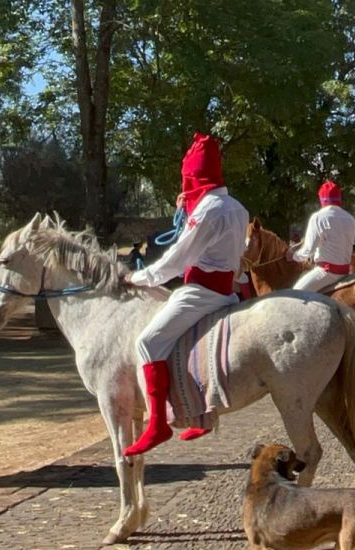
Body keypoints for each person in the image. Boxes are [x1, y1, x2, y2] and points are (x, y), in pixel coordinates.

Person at [119, 133, 250, 457]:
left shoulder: (207, 210)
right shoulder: (237, 208)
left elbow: (177, 260)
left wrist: (138, 277)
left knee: (147, 343)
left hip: (201, 291)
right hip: (227, 291)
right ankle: (202, 415)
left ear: (194, 176)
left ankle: (158, 423)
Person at [291, 181, 355, 292]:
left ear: (322, 199)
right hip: (346, 271)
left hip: (326, 272)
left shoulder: (318, 217)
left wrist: (293, 256)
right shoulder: (350, 218)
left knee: (295, 293)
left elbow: (307, 251)